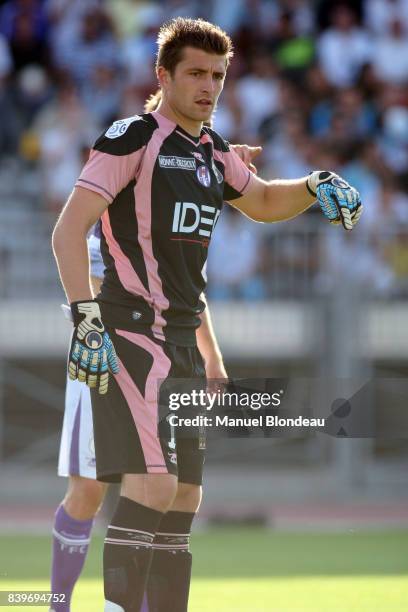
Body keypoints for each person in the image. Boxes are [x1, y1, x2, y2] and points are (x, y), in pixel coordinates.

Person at [52, 17, 362, 612]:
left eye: (218, 75)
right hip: (131, 334)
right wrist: (85, 320)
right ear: (163, 76)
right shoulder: (132, 137)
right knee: (152, 485)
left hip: (184, 345)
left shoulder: (215, 153)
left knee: (185, 499)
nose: (209, 86)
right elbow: (68, 231)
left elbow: (267, 200)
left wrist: (315, 183)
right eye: (195, 72)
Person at [50, 89, 262, 612]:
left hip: (170, 351)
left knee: (167, 489)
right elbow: (88, 265)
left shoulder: (181, 194)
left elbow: (188, 290)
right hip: (108, 354)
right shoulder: (119, 187)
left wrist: (212, 357)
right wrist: (91, 327)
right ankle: (56, 603)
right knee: (92, 492)